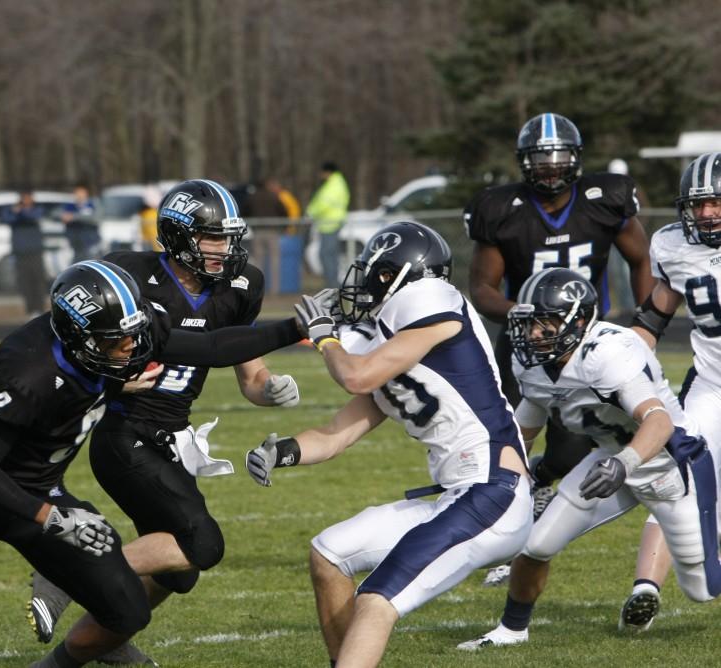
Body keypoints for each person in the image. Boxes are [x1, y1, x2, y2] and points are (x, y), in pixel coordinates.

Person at [0, 259, 304, 668]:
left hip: (45, 489)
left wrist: (294, 328)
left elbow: (209, 348)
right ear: (82, 339)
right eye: (116, 342)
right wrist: (51, 517)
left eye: (133, 336)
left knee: (128, 612)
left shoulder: (123, 331)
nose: (132, 348)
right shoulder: (27, 371)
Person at [25, 179, 301, 664]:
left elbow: (248, 370)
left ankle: (100, 641)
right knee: (202, 544)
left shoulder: (242, 286)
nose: (225, 249)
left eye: (229, 237)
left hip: (171, 437)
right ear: (176, 236)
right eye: (212, 237)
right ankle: (68, 567)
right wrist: (107, 381)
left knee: (178, 572)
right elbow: (69, 337)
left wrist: (269, 389)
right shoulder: (130, 277)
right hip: (124, 432)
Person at [247, 221, 532, 668]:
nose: (366, 284)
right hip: (460, 492)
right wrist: (281, 452)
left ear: (406, 277)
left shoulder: (431, 299)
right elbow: (339, 432)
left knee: (378, 598)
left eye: (378, 275)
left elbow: (355, 375)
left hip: (492, 490)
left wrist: (326, 337)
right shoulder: (392, 350)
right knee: (329, 553)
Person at [457, 268, 719, 652]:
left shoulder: (607, 354)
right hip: (608, 457)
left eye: (544, 324)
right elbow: (524, 429)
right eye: (529, 324)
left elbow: (658, 422)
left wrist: (625, 464)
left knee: (702, 589)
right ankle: (512, 629)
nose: (532, 335)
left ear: (579, 321)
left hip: (668, 465)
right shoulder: (532, 364)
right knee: (536, 545)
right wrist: (504, 477)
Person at [465, 112, 654, 585]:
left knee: (571, 453)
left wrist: (646, 320)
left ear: (576, 159)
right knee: (503, 439)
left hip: (586, 344)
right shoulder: (503, 208)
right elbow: (482, 288)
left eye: (558, 158)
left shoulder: (604, 199)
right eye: (539, 159)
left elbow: (641, 259)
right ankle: (493, 526)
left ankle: (541, 489)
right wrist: (524, 316)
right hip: (523, 343)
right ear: (523, 163)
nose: (550, 168)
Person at [616, 151, 721, 632]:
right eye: (698, 205)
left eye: (716, 203)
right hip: (713, 384)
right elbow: (656, 315)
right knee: (678, 478)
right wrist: (617, 367)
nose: (706, 214)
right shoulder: (673, 245)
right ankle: (646, 588)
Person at [2, 192, 48, 316]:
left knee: (38, 281)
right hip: (20, 252)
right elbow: (6, 218)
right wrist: (17, 212)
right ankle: (30, 310)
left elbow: (32, 216)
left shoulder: (37, 209)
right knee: (24, 282)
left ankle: (40, 309)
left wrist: (20, 212)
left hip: (35, 251)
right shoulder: (12, 211)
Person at [306, 161, 350, 288]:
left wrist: (311, 212)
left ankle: (332, 284)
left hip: (330, 223)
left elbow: (324, 203)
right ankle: (332, 283)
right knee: (329, 254)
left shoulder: (334, 185)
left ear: (328, 172)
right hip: (329, 223)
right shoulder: (335, 183)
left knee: (326, 254)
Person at [245, 178, 289, 295]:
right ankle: (275, 290)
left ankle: (258, 289)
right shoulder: (273, 196)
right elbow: (284, 212)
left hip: (258, 231)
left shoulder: (252, 197)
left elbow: (244, 212)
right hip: (273, 231)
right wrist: (283, 227)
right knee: (275, 261)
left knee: (258, 262)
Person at [62, 184, 100, 262]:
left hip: (90, 239)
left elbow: (96, 218)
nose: (79, 195)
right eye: (77, 193)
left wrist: (74, 217)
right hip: (75, 239)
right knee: (77, 260)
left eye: (81, 193)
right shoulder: (69, 205)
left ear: (86, 194)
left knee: (90, 259)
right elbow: (58, 214)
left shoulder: (93, 204)